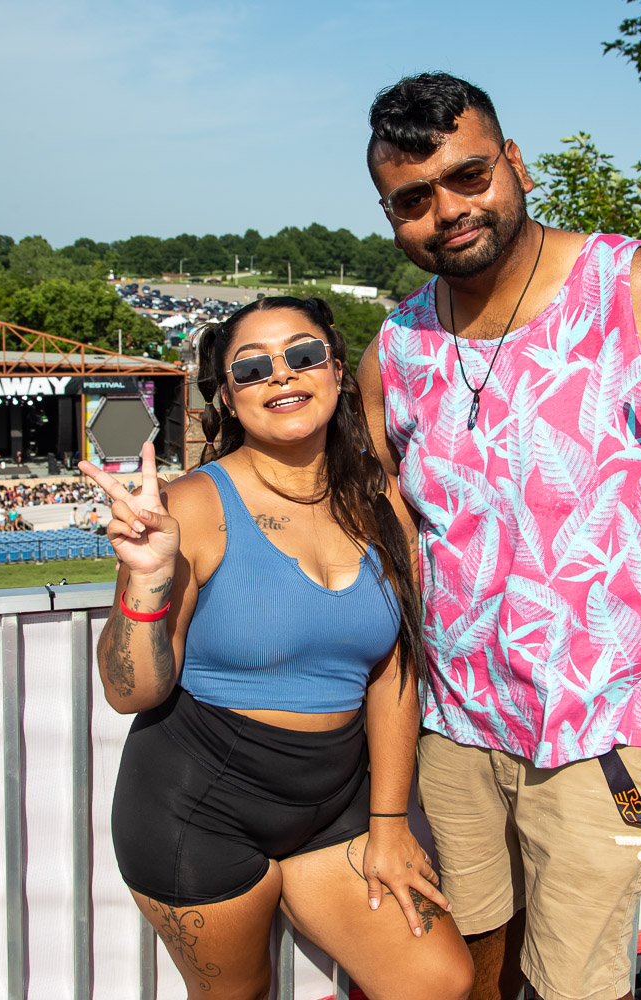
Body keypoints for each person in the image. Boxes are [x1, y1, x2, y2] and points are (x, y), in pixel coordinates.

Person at [356, 74, 641, 1000]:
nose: (448, 210)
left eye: (469, 176)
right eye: (414, 198)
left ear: (513, 163)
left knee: (575, 982)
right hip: (457, 719)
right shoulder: (396, 348)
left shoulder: (631, 288)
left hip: (608, 727)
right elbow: (379, 520)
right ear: (391, 215)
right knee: (473, 955)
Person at [80, 296, 473, 1000]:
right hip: (199, 806)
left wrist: (388, 822)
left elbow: (393, 671)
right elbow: (128, 692)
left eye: (302, 354)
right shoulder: (193, 505)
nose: (282, 376)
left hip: (335, 799)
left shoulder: (380, 499)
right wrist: (144, 579)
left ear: (336, 372)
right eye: (252, 368)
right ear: (227, 399)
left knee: (437, 982)